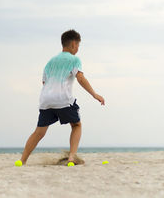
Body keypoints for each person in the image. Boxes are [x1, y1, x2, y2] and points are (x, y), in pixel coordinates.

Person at [18, 29, 105, 165]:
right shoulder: (74, 60)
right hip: (63, 99)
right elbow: (80, 78)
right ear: (74, 44)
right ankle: (71, 157)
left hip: (46, 100)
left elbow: (44, 82)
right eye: (78, 46)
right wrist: (94, 94)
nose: (78, 49)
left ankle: (22, 160)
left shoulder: (50, 62)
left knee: (39, 132)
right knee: (76, 125)